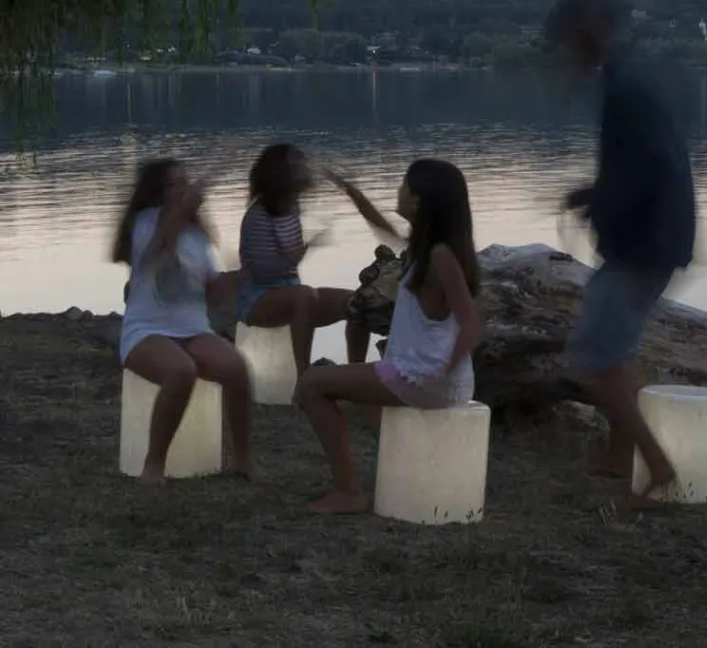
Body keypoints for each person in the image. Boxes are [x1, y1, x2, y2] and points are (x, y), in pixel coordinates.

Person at [547, 0, 697, 506]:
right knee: (614, 350)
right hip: (656, 239)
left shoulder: (626, 89)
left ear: (585, 34)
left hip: (642, 246)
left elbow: (653, 167)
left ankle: (656, 467)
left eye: (567, 41)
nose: (564, 54)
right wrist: (594, 193)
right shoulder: (631, 80)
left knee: (598, 355)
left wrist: (605, 203)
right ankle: (617, 457)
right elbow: (650, 164)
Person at [293, 159, 480, 515]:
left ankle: (349, 492)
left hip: (425, 375)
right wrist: (350, 190)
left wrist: (443, 371)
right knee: (360, 397)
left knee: (311, 384)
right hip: (419, 371)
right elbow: (380, 226)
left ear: (420, 201)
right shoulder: (427, 247)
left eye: (404, 185)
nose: (399, 189)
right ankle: (409, 471)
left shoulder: (440, 255)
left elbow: (470, 321)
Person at [113, 158, 254, 484]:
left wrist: (242, 277)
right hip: (145, 330)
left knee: (236, 368)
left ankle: (243, 460)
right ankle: (154, 464)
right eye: (174, 185)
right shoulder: (145, 223)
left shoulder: (196, 236)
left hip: (192, 329)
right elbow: (159, 249)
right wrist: (188, 202)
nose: (183, 191)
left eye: (184, 183)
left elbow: (210, 293)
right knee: (181, 371)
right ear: (157, 192)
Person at [237, 144, 354, 374]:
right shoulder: (258, 217)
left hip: (292, 292)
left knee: (357, 302)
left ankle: (356, 372)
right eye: (297, 165)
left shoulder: (292, 207)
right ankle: (304, 376)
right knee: (304, 296)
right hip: (257, 299)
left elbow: (288, 265)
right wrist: (307, 247)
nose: (304, 169)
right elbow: (266, 274)